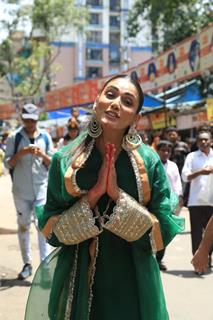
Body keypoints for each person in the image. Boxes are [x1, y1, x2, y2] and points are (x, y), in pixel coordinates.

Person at [25, 73, 184, 320]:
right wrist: (93, 196)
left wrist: (117, 196)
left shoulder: (149, 162)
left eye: (127, 101)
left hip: (133, 277)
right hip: (76, 277)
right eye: (110, 94)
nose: (115, 103)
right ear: (97, 100)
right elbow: (51, 231)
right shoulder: (65, 160)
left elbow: (161, 234)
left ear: (136, 118)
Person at [4, 103, 54, 280]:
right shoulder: (14, 138)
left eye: (33, 120)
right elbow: (7, 164)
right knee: (23, 226)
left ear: (37, 119)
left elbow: (52, 163)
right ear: (22, 119)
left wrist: (43, 155)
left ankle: (45, 266)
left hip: (41, 190)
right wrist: (21, 153)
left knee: (43, 228)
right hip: (21, 192)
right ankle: (27, 263)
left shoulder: (46, 137)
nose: (30, 123)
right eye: (27, 120)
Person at [181, 131, 213, 272]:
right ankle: (197, 263)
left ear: (211, 141)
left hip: (211, 201)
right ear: (197, 142)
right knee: (196, 234)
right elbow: (185, 177)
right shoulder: (191, 156)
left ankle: (207, 257)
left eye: (206, 140)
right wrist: (200, 172)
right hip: (195, 202)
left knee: (211, 232)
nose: (203, 142)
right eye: (200, 140)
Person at [156, 140, 183, 271]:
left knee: (165, 232)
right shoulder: (153, 164)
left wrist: (179, 197)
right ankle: (152, 259)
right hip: (155, 203)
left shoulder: (173, 166)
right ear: (157, 150)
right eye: (163, 150)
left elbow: (177, 183)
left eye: (168, 151)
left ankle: (159, 259)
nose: (166, 153)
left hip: (169, 205)